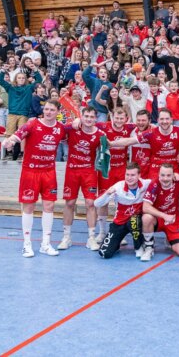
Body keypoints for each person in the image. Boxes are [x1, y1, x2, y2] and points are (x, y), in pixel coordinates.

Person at [2, 99, 66, 258]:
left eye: (52, 110)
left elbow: (76, 128)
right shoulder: (32, 124)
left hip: (49, 172)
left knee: (49, 206)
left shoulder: (60, 129)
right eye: (46, 109)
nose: (48, 112)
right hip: (30, 172)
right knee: (29, 207)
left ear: (58, 112)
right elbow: (16, 136)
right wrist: (9, 142)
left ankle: (45, 244)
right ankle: (27, 244)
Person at [57, 107, 106, 252]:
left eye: (92, 116)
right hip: (72, 170)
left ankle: (91, 237)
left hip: (89, 171)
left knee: (91, 203)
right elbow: (57, 127)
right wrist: (73, 121)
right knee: (70, 203)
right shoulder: (73, 129)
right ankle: (66, 237)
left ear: (96, 119)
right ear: (82, 117)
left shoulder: (100, 135)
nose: (89, 119)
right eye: (86, 116)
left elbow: (106, 153)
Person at [95, 162, 151, 259]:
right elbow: (97, 204)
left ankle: (139, 247)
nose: (129, 178)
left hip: (135, 221)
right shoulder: (118, 187)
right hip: (120, 222)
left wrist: (175, 175)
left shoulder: (146, 184)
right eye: (127, 175)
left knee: (134, 220)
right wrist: (107, 194)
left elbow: (160, 181)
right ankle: (115, 244)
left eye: (133, 175)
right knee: (104, 253)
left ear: (139, 175)